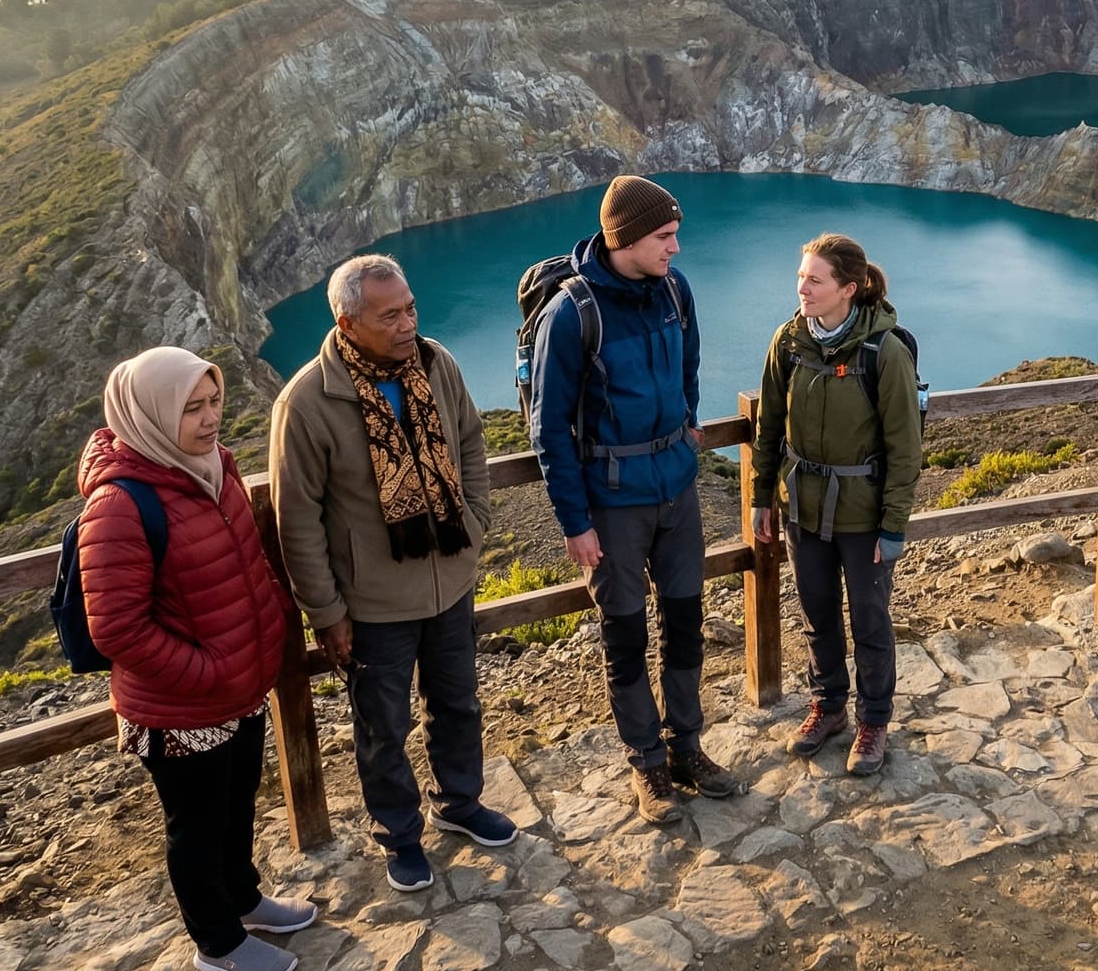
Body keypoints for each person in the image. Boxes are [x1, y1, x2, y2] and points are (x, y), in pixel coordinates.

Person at [270, 254, 514, 894]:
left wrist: (476, 522)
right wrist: (326, 612)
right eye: (390, 316)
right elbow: (297, 518)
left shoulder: (436, 365)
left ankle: (460, 804)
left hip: (449, 581)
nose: (408, 324)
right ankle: (400, 837)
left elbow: (470, 446)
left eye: (410, 308)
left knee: (457, 703)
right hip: (373, 602)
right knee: (383, 727)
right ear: (348, 324)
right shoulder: (308, 402)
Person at [77, 347, 306, 971]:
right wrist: (209, 671)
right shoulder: (120, 504)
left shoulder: (211, 467)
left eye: (214, 403)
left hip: (238, 685)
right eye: (191, 409)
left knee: (236, 806)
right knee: (197, 826)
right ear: (148, 414)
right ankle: (217, 939)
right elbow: (117, 627)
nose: (210, 420)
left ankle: (245, 900)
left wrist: (265, 630)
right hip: (182, 707)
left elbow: (244, 563)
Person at [528, 175, 741, 825]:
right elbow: (548, 428)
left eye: (676, 234)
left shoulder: (675, 289)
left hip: (677, 489)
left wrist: (689, 417)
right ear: (625, 239)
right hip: (613, 507)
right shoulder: (573, 313)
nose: (676, 248)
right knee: (624, 638)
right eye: (665, 236)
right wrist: (574, 521)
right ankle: (646, 763)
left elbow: (689, 363)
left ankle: (686, 748)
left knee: (684, 626)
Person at [750, 234, 924, 776]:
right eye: (801, 277)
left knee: (870, 621)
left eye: (815, 280)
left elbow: (904, 447)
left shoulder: (884, 352)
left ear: (848, 289)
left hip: (864, 516)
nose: (802, 288)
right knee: (817, 613)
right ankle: (827, 707)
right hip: (802, 508)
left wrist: (893, 526)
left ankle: (874, 720)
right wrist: (761, 496)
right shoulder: (789, 343)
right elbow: (769, 425)